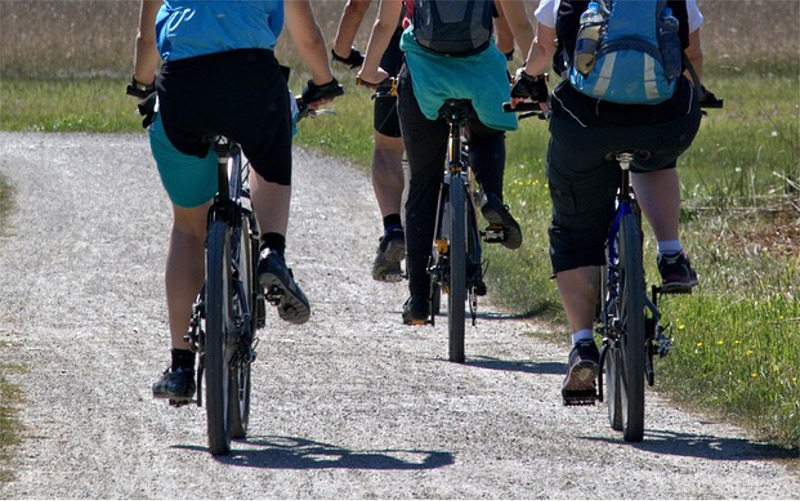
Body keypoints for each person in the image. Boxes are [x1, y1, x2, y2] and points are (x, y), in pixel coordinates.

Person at [129, 0, 341, 402]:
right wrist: (323, 81)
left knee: (188, 228)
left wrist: (142, 83)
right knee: (268, 154)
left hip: (183, 89)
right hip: (252, 79)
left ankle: (180, 367)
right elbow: (308, 36)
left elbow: (146, 39)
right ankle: (271, 254)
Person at [510, 0, 706, 400]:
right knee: (657, 160)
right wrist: (692, 97)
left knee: (574, 232)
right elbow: (691, 54)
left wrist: (527, 80)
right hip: (664, 121)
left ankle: (583, 344)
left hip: (586, 124)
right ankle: (672, 256)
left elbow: (544, 50)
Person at [358, 0, 534, 324]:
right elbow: (520, 24)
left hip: (423, 78)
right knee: (486, 134)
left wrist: (370, 70)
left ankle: (419, 299)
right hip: (479, 74)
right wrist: (532, 76)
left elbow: (385, 24)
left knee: (423, 182)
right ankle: (491, 196)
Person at [331, 0, 408, 283]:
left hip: (402, 53)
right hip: (468, 57)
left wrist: (342, 52)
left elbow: (356, 6)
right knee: (457, 139)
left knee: (388, 149)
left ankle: (392, 229)